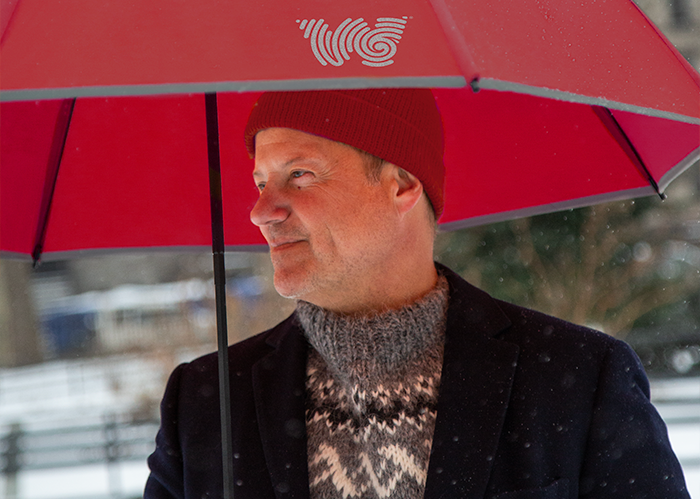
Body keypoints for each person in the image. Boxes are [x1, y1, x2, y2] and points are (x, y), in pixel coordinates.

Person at [145, 89, 689, 499]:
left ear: (402, 184)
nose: (261, 211)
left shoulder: (579, 379)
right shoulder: (204, 403)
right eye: (261, 182)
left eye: (301, 175)